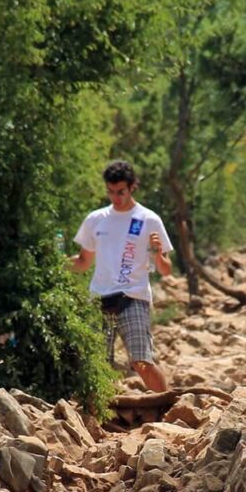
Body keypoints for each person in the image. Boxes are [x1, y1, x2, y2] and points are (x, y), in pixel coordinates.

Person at [68, 160, 174, 392]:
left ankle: (167, 407)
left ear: (132, 186)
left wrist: (157, 254)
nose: (116, 197)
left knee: (141, 361)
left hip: (133, 297)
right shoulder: (95, 219)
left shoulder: (149, 220)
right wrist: (54, 266)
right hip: (98, 299)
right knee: (96, 364)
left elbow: (166, 270)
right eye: (111, 192)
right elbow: (83, 262)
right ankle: (98, 418)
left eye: (121, 192)